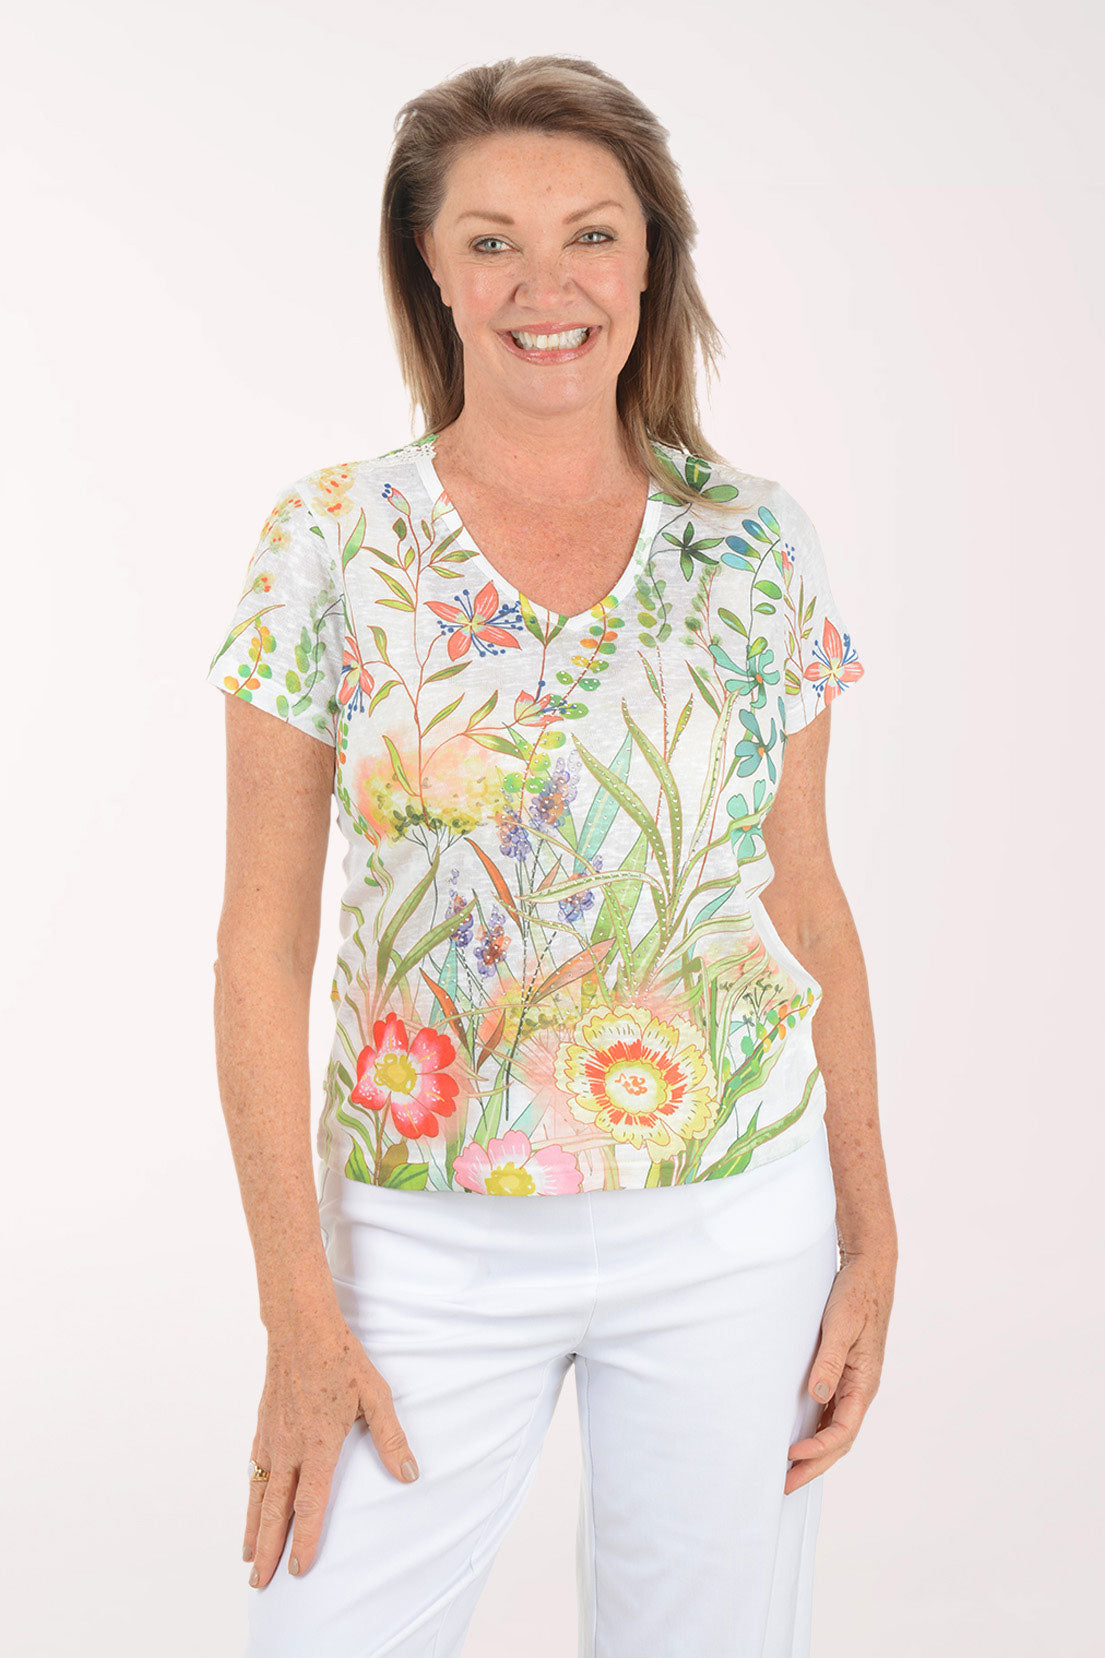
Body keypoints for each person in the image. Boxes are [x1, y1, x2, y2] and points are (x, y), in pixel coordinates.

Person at [204, 54, 896, 1658]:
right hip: (415, 1236)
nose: (547, 285)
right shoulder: (329, 539)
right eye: (492, 240)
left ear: (650, 258)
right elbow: (258, 948)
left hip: (736, 1223)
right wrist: (297, 1307)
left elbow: (809, 895)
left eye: (589, 234)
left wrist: (870, 1237)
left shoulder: (753, 538)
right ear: (430, 269)